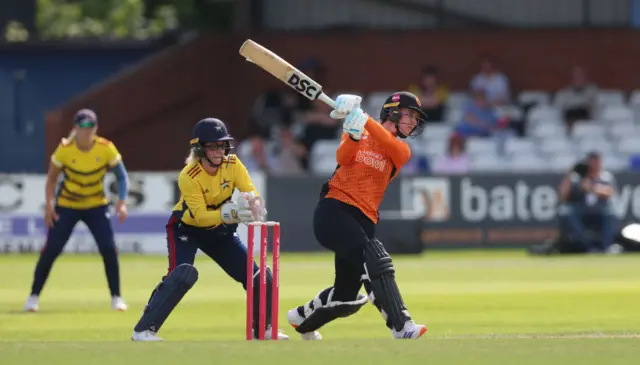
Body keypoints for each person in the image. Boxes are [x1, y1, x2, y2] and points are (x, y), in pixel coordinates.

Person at [285, 92, 428, 340]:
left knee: (345, 298)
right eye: (410, 115)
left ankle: (300, 319)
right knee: (374, 260)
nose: (413, 122)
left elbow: (389, 143)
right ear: (393, 113)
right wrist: (352, 134)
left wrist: (363, 118)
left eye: (416, 118)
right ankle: (401, 325)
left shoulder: (400, 149)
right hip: (334, 211)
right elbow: (342, 157)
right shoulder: (358, 131)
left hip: (365, 219)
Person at [131, 118, 288, 342]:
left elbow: (250, 191)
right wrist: (233, 214)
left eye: (221, 145)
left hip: (220, 233)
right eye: (212, 146)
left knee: (261, 276)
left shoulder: (233, 164)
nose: (218, 151)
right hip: (187, 229)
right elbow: (201, 216)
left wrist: (254, 204)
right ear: (199, 148)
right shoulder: (189, 175)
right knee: (182, 274)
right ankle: (143, 330)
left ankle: (263, 329)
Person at [24, 109, 130, 312]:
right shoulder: (64, 150)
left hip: (96, 205)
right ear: (75, 129)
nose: (86, 132)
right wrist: (49, 205)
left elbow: (122, 176)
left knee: (108, 248)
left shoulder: (105, 148)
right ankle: (33, 297)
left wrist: (122, 202)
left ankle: (116, 297)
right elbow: (52, 179)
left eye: (90, 127)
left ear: (96, 128)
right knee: (52, 248)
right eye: (82, 127)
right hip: (68, 205)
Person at [557, 152, 617, 253]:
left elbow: (610, 192)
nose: (595, 165)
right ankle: (586, 245)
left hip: (600, 210)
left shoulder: (606, 177)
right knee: (567, 211)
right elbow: (562, 196)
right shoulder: (577, 178)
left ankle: (606, 246)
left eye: (597, 162)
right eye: (592, 162)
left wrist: (591, 188)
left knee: (610, 212)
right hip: (582, 210)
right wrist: (570, 174)